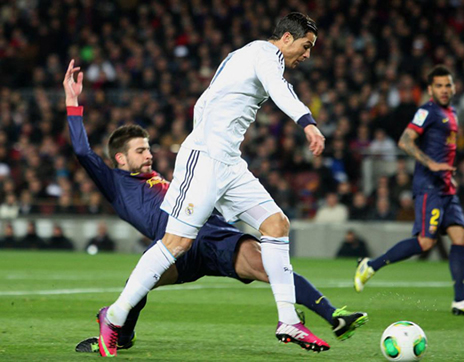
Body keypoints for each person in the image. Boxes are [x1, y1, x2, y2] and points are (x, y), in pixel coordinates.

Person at [63, 60, 367, 355]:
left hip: (214, 235)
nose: (148, 155)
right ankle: (121, 335)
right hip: (177, 250)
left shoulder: (165, 178)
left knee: (270, 266)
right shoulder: (115, 184)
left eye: (148, 149)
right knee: (138, 284)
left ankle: (333, 316)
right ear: (120, 159)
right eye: (140, 150)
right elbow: (81, 150)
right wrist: (72, 101)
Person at [97, 12, 329, 357]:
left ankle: (287, 319)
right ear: (285, 39)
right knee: (176, 243)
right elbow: (280, 90)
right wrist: (307, 123)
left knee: (276, 224)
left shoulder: (248, 57)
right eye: (306, 46)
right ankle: (115, 317)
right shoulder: (265, 55)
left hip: (229, 162)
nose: (307, 54)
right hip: (206, 159)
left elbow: (205, 101)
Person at [354, 65, 464, 316]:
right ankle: (370, 265)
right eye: (438, 85)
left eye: (448, 85)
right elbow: (405, 140)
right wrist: (432, 165)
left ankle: (461, 300)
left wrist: (448, 175)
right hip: (429, 188)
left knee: (461, 238)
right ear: (430, 89)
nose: (444, 90)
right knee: (426, 242)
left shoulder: (452, 113)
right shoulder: (426, 111)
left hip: (446, 187)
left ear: (454, 87)